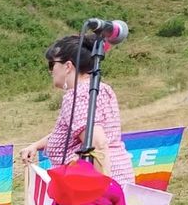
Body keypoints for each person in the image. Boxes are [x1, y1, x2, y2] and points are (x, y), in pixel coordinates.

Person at [18, 34, 135, 185]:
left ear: (68, 66)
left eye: (52, 64)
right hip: (120, 176)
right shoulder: (100, 88)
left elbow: (97, 143)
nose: (50, 71)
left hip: (95, 185)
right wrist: (36, 145)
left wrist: (104, 189)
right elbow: (75, 131)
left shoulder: (77, 96)